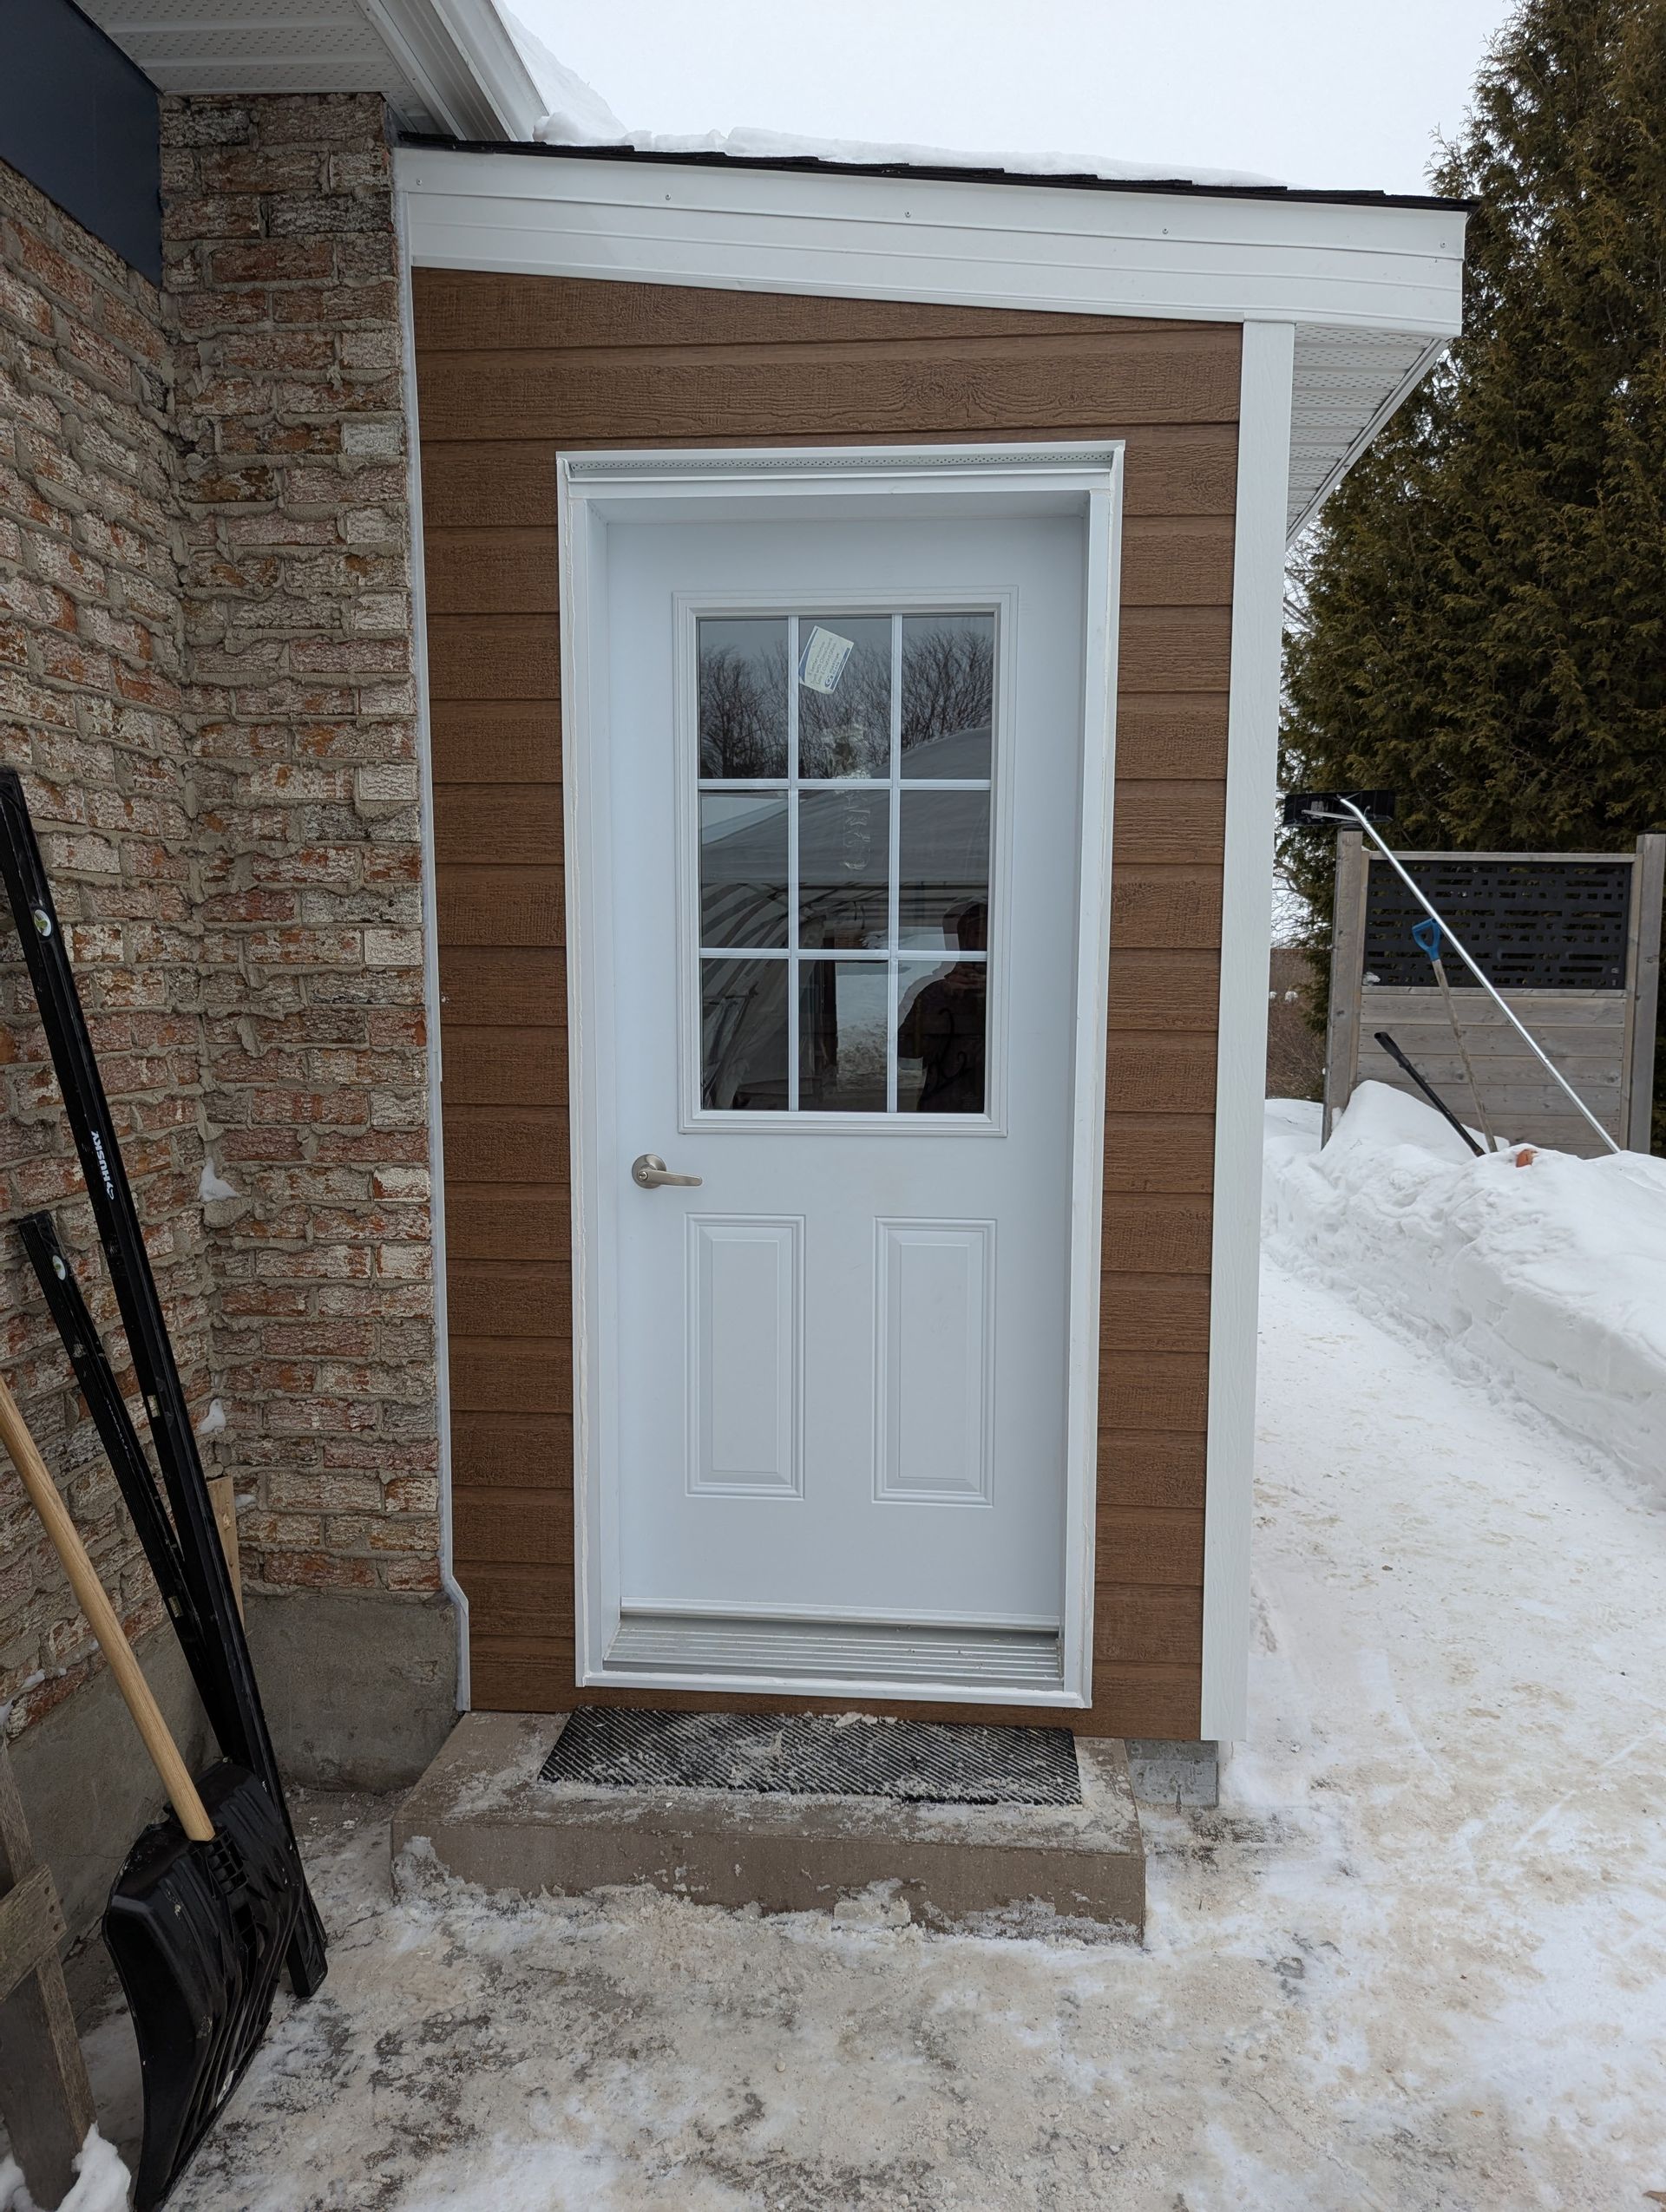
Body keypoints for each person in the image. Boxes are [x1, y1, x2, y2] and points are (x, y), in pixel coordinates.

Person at [896, 900, 987, 1112]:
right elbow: (907, 1053)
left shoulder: (1016, 992)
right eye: (973, 933)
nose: (980, 942)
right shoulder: (929, 989)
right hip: (944, 1102)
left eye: (984, 933)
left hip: (1006, 1106)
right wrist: (941, 996)